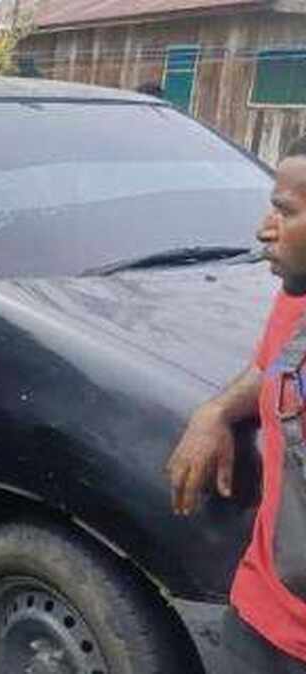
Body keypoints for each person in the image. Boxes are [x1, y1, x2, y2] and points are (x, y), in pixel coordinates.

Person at [167, 136, 306, 673]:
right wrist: (215, 412)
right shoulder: (296, 300)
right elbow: (269, 369)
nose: (263, 229)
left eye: (284, 211)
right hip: (258, 615)